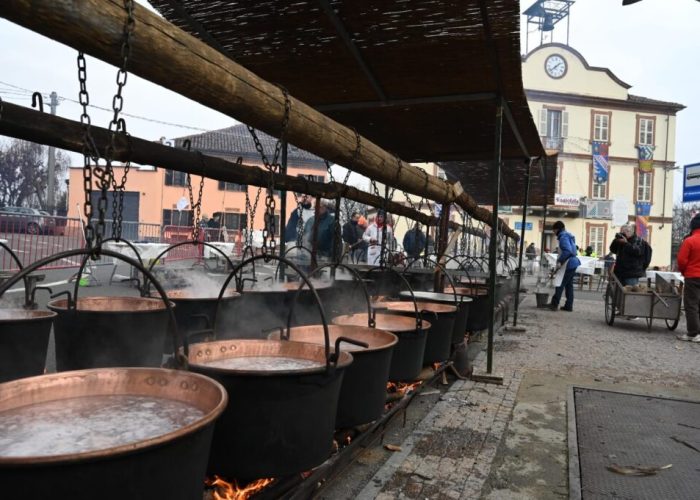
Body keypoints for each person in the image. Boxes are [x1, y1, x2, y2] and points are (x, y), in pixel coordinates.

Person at [675, 213, 700, 342]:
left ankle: (693, 333)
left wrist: (684, 271)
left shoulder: (689, 241)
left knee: (691, 305)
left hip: (693, 276)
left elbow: (681, 260)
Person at [549, 220, 581, 312]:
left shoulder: (563, 237)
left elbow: (568, 251)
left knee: (559, 283)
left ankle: (554, 304)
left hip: (569, 263)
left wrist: (560, 261)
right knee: (569, 285)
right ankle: (568, 306)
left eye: (554, 231)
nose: (554, 233)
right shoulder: (568, 235)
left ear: (557, 229)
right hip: (573, 263)